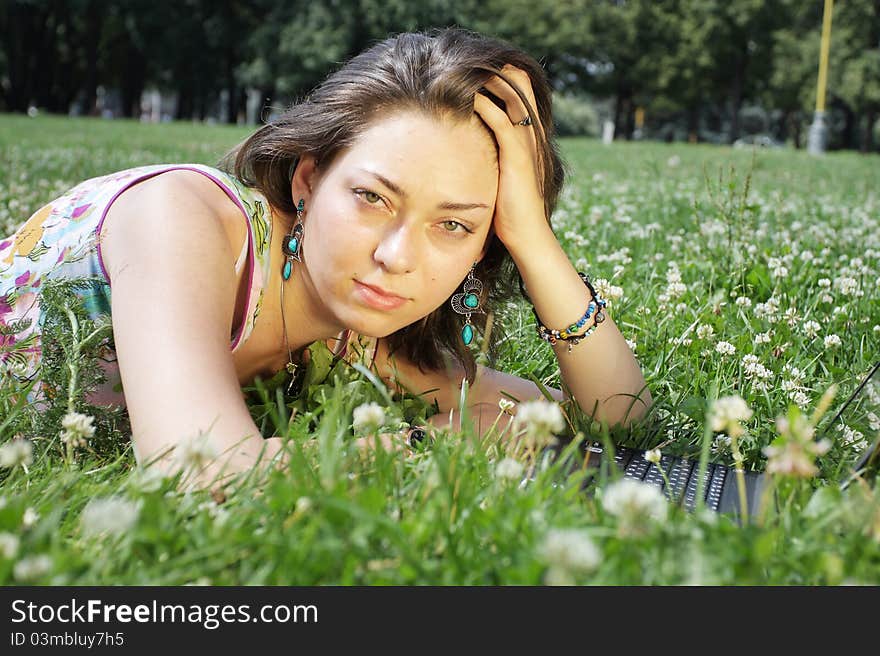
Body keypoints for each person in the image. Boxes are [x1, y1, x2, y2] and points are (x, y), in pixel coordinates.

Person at [0, 28, 652, 490]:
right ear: (309, 180)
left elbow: (616, 417)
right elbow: (194, 471)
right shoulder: (181, 219)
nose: (397, 256)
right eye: (371, 197)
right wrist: (416, 449)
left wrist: (533, 238)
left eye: (453, 225)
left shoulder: (360, 335)